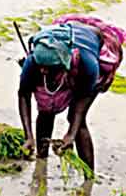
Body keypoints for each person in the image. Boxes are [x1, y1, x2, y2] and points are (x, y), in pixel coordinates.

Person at [17, 15, 125, 173]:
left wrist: (71, 134)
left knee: (77, 121)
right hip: (65, 36)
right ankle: (41, 166)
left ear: (64, 64)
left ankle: (89, 176)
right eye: (41, 66)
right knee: (46, 111)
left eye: (49, 68)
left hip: (90, 50)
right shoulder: (34, 61)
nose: (43, 71)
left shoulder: (88, 65)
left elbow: (82, 101)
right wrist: (28, 136)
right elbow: (23, 94)